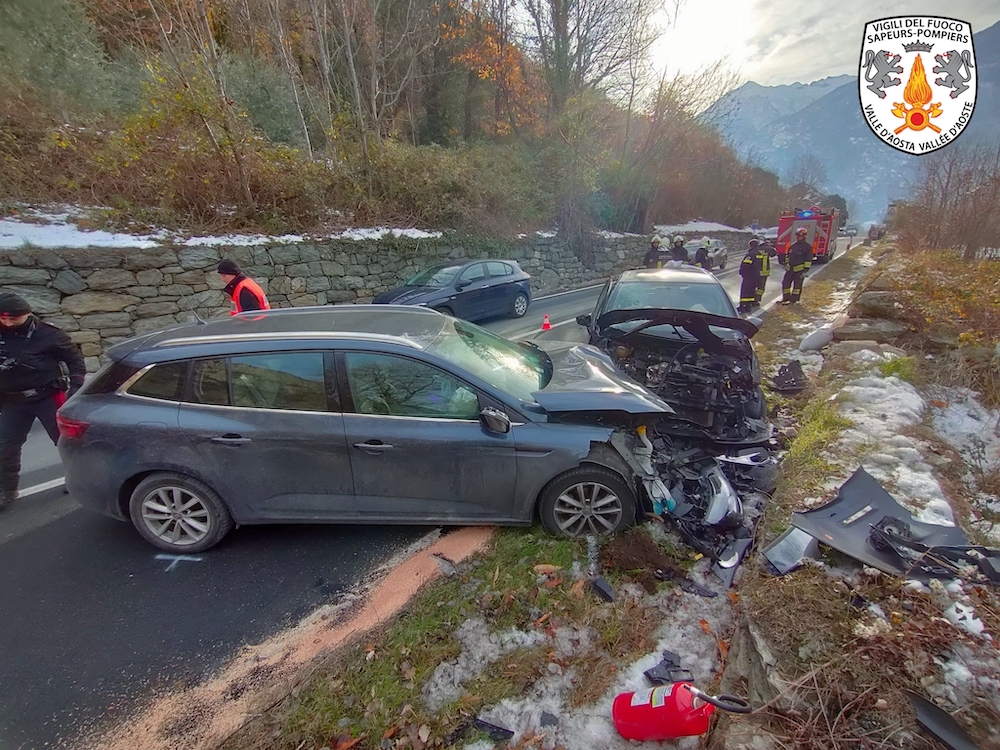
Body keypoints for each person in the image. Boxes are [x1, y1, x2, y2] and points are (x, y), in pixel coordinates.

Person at [0, 293, 86, 510]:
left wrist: (74, 390)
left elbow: (75, 361)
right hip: (13, 400)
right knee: (6, 446)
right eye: (2, 318)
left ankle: (78, 479)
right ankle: (6, 490)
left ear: (27, 313)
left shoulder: (48, 334)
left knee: (65, 440)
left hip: (47, 395)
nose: (7, 323)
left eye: (14, 318)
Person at [781, 227, 813, 304]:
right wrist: (786, 264)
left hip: (799, 270)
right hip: (790, 269)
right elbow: (788, 256)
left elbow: (808, 259)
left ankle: (793, 300)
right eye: (797, 235)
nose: (798, 237)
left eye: (800, 236)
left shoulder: (807, 247)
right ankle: (785, 299)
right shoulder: (793, 246)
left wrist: (805, 270)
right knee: (785, 283)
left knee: (797, 286)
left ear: (804, 236)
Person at [738, 239, 762, 314]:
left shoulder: (750, 254)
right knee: (751, 291)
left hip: (749, 276)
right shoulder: (759, 254)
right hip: (756, 275)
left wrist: (742, 272)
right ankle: (748, 306)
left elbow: (746, 265)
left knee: (745, 291)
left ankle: (742, 307)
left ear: (751, 245)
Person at [754, 238, 778, 307]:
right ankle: (757, 300)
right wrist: (769, 246)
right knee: (760, 287)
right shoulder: (768, 249)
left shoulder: (756, 249)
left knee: (753, 286)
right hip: (764, 272)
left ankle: (751, 299)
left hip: (755, 272)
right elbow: (774, 253)